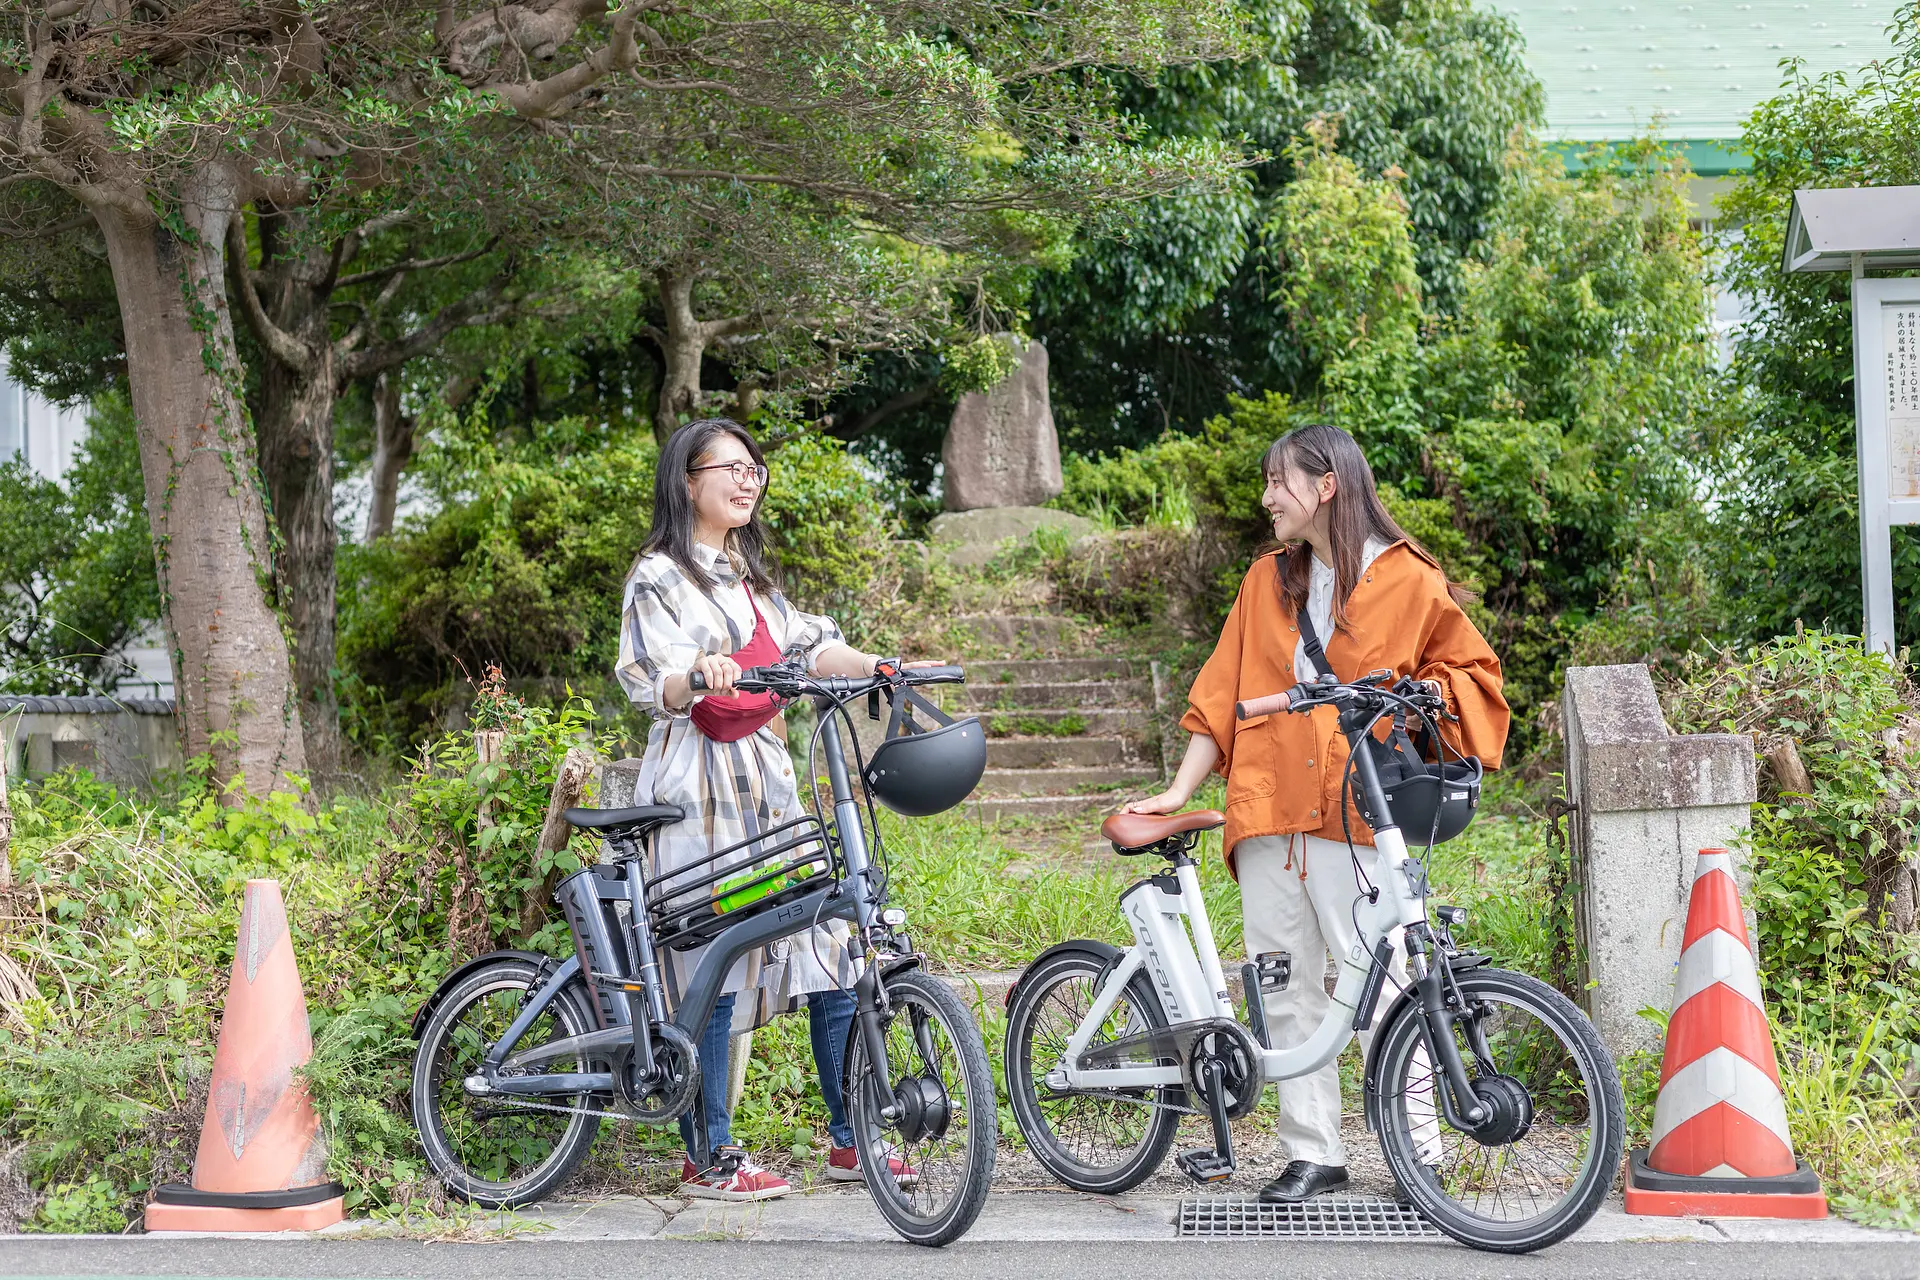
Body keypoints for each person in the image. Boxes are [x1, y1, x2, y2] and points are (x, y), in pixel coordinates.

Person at [1126, 422, 1509, 1203]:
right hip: (1268, 805)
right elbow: (1221, 694)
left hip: (1355, 806)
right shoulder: (1265, 580)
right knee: (1283, 983)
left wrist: (1430, 693)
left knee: (1387, 979)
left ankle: (1417, 1149)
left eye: (1278, 482)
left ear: (1325, 484)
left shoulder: (1410, 579)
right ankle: (1314, 1153)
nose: (1267, 498)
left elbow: (1472, 671)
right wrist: (1179, 791)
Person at [614, 418, 922, 1202]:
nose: (749, 480)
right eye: (732, 468)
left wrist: (881, 667)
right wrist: (699, 675)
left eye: (756, 470)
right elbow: (655, 679)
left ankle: (854, 1138)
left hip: (767, 788)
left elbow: (814, 649)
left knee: (832, 941)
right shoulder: (658, 575)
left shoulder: (752, 582)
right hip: (699, 792)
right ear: (688, 480)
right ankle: (708, 1154)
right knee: (709, 956)